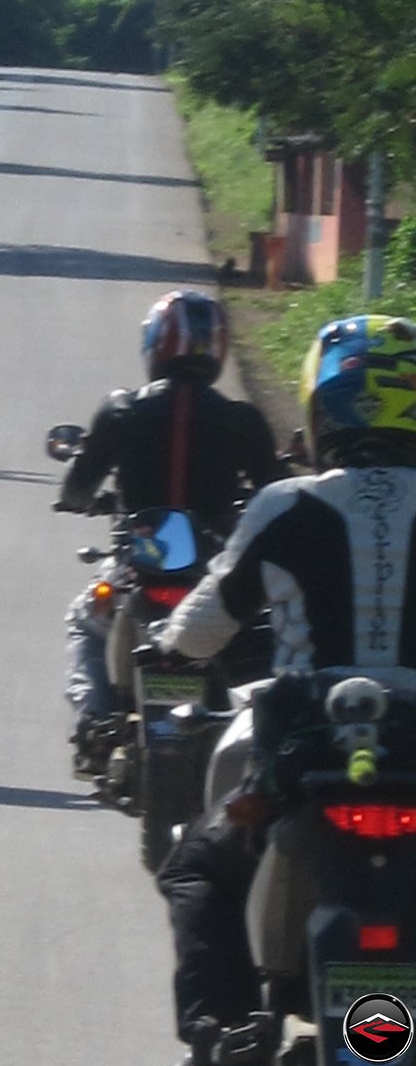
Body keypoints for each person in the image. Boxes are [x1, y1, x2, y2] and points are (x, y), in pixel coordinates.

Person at [152, 313, 416, 1064]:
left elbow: (199, 632)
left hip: (306, 743)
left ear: (318, 406)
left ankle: (223, 1031)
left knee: (197, 864)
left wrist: (166, 644)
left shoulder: (285, 503)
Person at [58, 289, 283, 776]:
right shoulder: (242, 419)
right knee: (260, 630)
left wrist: (81, 500)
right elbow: (279, 493)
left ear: (156, 343)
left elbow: (77, 486)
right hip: (211, 567)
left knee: (86, 620)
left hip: (141, 561)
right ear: (217, 349)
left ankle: (95, 720)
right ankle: (259, 736)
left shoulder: (121, 409)